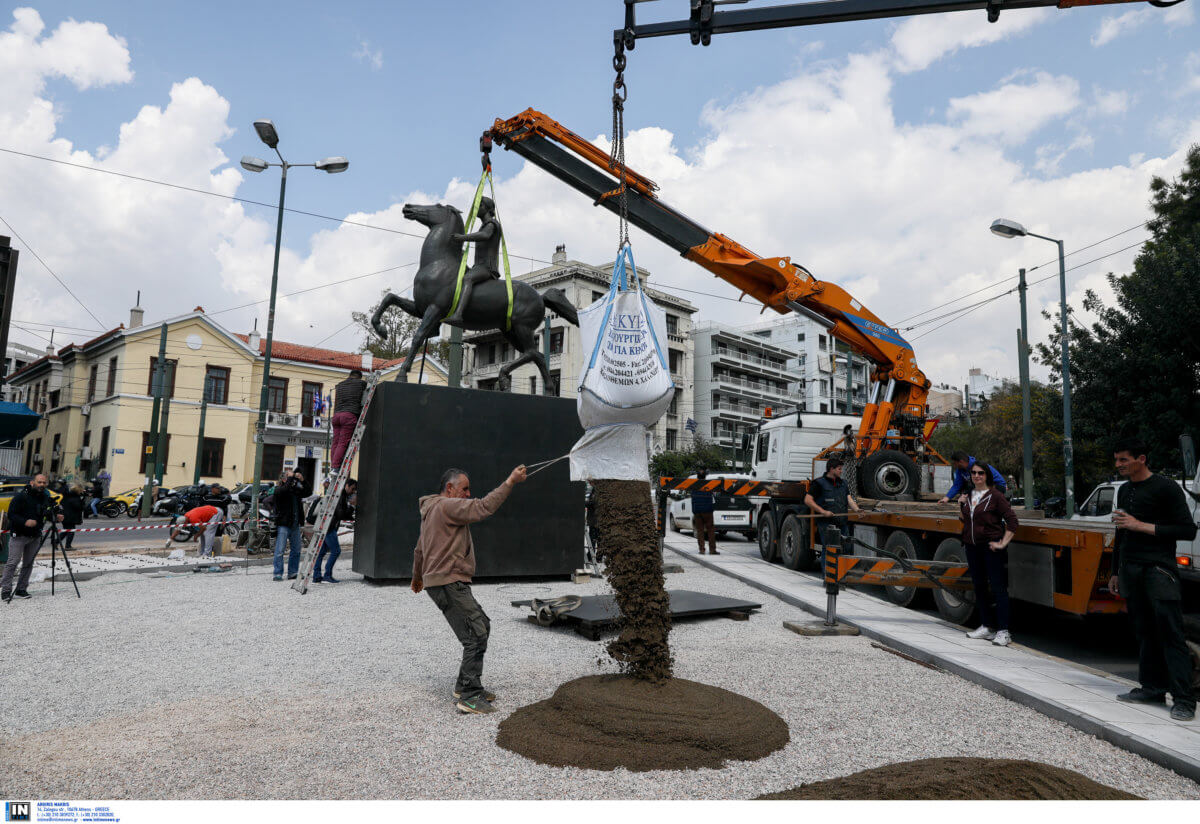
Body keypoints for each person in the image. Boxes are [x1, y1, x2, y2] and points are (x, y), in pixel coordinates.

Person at [412, 464, 527, 715]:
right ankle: (470, 696)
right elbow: (483, 507)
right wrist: (510, 482)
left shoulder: (431, 511)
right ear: (449, 488)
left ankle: (465, 684)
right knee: (475, 634)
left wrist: (417, 577)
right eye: (464, 489)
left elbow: (420, 548)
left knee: (481, 625)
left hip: (443, 582)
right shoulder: (445, 506)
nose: (467, 494)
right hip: (448, 582)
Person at [1107, 438, 1197, 722]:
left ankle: (1184, 700)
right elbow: (1121, 533)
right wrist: (1114, 572)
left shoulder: (1166, 487)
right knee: (1144, 633)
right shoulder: (1124, 490)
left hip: (1160, 570)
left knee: (1171, 634)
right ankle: (1152, 689)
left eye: (1124, 460)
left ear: (1141, 459)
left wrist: (1140, 525)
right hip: (1131, 571)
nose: (1118, 465)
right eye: (1117, 460)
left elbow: (1187, 529)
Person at [958, 459, 1019, 647]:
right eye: (974, 473)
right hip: (972, 546)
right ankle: (986, 626)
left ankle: (1003, 631)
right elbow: (966, 520)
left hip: (990, 547)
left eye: (981, 473)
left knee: (998, 588)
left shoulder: (995, 496)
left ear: (987, 476)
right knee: (979, 586)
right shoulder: (969, 494)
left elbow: (1013, 522)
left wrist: (1002, 543)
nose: (977, 476)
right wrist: (960, 505)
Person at [1, 474, 63, 602]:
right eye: (39, 482)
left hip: (35, 536)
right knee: (12, 563)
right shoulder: (21, 497)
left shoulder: (45, 497)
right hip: (19, 535)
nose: (42, 485)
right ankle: (6, 590)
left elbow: (45, 513)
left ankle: (21, 589)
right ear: (32, 482)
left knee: (28, 564)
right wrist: (25, 522)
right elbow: (12, 514)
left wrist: (56, 518)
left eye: (44, 482)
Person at [447, 196, 503, 325]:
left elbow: (484, 236)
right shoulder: (484, 226)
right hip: (478, 266)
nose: (477, 208)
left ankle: (458, 314)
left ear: (489, 209)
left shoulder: (492, 224)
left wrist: (462, 237)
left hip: (487, 267)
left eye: (480, 205)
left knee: (467, 279)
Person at [805, 457, 860, 560]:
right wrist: (823, 512)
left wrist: (857, 509)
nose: (841, 471)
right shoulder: (818, 483)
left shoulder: (844, 483)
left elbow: (849, 499)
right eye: (839, 469)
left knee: (846, 548)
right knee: (829, 549)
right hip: (826, 524)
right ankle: (826, 575)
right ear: (831, 469)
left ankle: (842, 574)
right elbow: (808, 500)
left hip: (842, 523)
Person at [312, 479, 356, 583]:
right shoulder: (340, 496)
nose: (353, 491)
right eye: (352, 488)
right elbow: (340, 514)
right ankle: (327, 575)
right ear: (347, 486)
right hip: (329, 527)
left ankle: (316, 576)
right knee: (336, 551)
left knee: (321, 552)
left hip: (326, 525)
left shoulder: (340, 494)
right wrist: (352, 506)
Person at [272, 470, 306, 580]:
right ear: (283, 479)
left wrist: (302, 480)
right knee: (280, 550)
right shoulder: (279, 490)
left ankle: (292, 572)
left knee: (296, 550)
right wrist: (291, 478)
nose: (292, 480)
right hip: (283, 524)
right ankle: (277, 573)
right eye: (289, 478)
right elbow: (285, 489)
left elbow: (307, 491)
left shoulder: (295, 491)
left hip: (295, 524)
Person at [331, 370, 367, 471]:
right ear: (359, 377)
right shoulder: (361, 383)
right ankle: (336, 467)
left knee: (335, 442)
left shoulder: (340, 385)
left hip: (336, 416)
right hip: (348, 415)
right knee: (343, 442)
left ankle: (333, 465)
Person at [939, 451, 1006, 503]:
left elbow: (981, 484)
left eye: (955, 463)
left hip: (996, 486)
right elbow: (957, 485)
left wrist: (967, 494)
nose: (954, 465)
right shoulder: (960, 470)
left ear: (961, 462)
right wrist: (946, 498)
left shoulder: (978, 466)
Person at [690, 468, 719, 556]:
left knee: (700, 531)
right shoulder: (709, 484)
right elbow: (715, 494)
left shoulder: (694, 485)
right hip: (707, 510)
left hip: (697, 510)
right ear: (705, 476)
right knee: (710, 530)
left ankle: (702, 550)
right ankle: (712, 549)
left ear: (697, 476)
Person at [60, 483, 87, 550]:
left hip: (65, 516)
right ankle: (68, 546)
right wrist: (83, 501)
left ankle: (55, 542)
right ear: (78, 490)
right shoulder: (75, 498)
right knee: (71, 531)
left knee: (66, 530)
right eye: (81, 490)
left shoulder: (68, 495)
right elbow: (79, 507)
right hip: (70, 517)